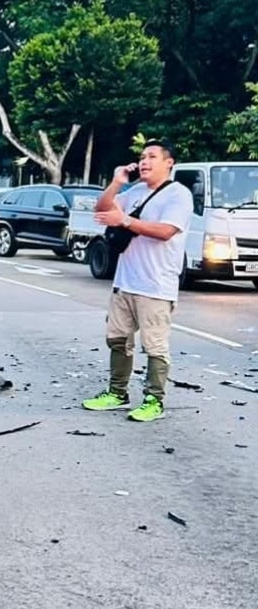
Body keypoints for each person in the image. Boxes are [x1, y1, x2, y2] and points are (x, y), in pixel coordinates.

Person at [82, 141, 193, 423]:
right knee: (117, 339)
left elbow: (166, 231)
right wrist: (117, 183)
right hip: (125, 282)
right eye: (142, 157)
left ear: (169, 162)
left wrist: (124, 220)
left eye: (152, 156)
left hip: (156, 286)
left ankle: (154, 400)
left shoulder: (178, 195)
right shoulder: (135, 192)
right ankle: (117, 392)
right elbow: (102, 208)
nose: (144, 161)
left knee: (155, 346)